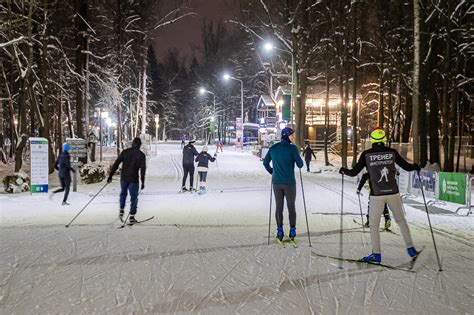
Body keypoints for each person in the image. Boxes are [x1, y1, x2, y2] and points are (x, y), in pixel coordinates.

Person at [339, 127, 421, 263]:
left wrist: (344, 170)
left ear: (372, 139)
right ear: (383, 139)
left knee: (374, 224)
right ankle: (411, 249)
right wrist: (416, 166)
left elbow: (354, 172)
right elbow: (407, 167)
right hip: (393, 192)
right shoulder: (392, 152)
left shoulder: (366, 154)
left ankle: (376, 255)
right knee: (401, 221)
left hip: (376, 194)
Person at [263, 127, 304, 241]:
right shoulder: (292, 148)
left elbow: (265, 163)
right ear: (286, 135)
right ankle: (292, 230)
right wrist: (296, 156)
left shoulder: (273, 148)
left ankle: (280, 230)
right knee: (291, 207)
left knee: (279, 207)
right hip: (289, 183)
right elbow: (300, 165)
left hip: (276, 183)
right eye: (292, 135)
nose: (293, 137)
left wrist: (272, 171)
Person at [107, 137, 146, 224]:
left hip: (124, 178)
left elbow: (116, 163)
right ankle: (132, 216)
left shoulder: (125, 152)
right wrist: (143, 181)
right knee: (134, 198)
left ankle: (121, 210)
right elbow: (143, 170)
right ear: (140, 145)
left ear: (133, 144)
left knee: (123, 194)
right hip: (134, 179)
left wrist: (110, 175)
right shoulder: (141, 155)